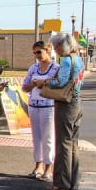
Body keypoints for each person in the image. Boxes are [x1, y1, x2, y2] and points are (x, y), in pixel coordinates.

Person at [39, 32, 85, 190]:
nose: (55, 50)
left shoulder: (66, 60)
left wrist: (44, 82)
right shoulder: (78, 59)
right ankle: (73, 179)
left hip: (65, 103)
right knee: (73, 143)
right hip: (77, 102)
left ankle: (61, 183)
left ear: (61, 46)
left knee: (63, 143)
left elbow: (61, 82)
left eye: (56, 46)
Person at [22, 41, 59, 182]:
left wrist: (43, 83)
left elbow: (58, 84)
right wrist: (34, 84)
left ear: (47, 50)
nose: (37, 55)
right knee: (36, 137)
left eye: (39, 52)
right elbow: (25, 87)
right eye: (34, 53)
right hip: (34, 105)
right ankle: (38, 165)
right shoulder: (33, 68)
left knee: (48, 138)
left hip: (48, 105)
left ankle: (49, 167)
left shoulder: (56, 68)